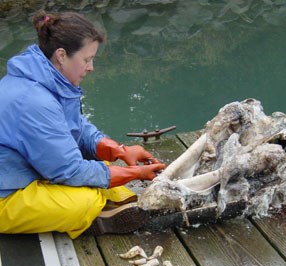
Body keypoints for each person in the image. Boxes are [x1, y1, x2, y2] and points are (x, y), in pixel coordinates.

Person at [0, 11, 166, 239]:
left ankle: (108, 206)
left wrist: (120, 151)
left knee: (102, 165)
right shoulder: (33, 100)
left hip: (25, 172)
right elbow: (70, 171)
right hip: (6, 194)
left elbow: (76, 126)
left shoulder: (46, 80)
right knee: (85, 200)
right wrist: (136, 173)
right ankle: (94, 215)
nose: (91, 67)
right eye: (86, 60)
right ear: (61, 55)